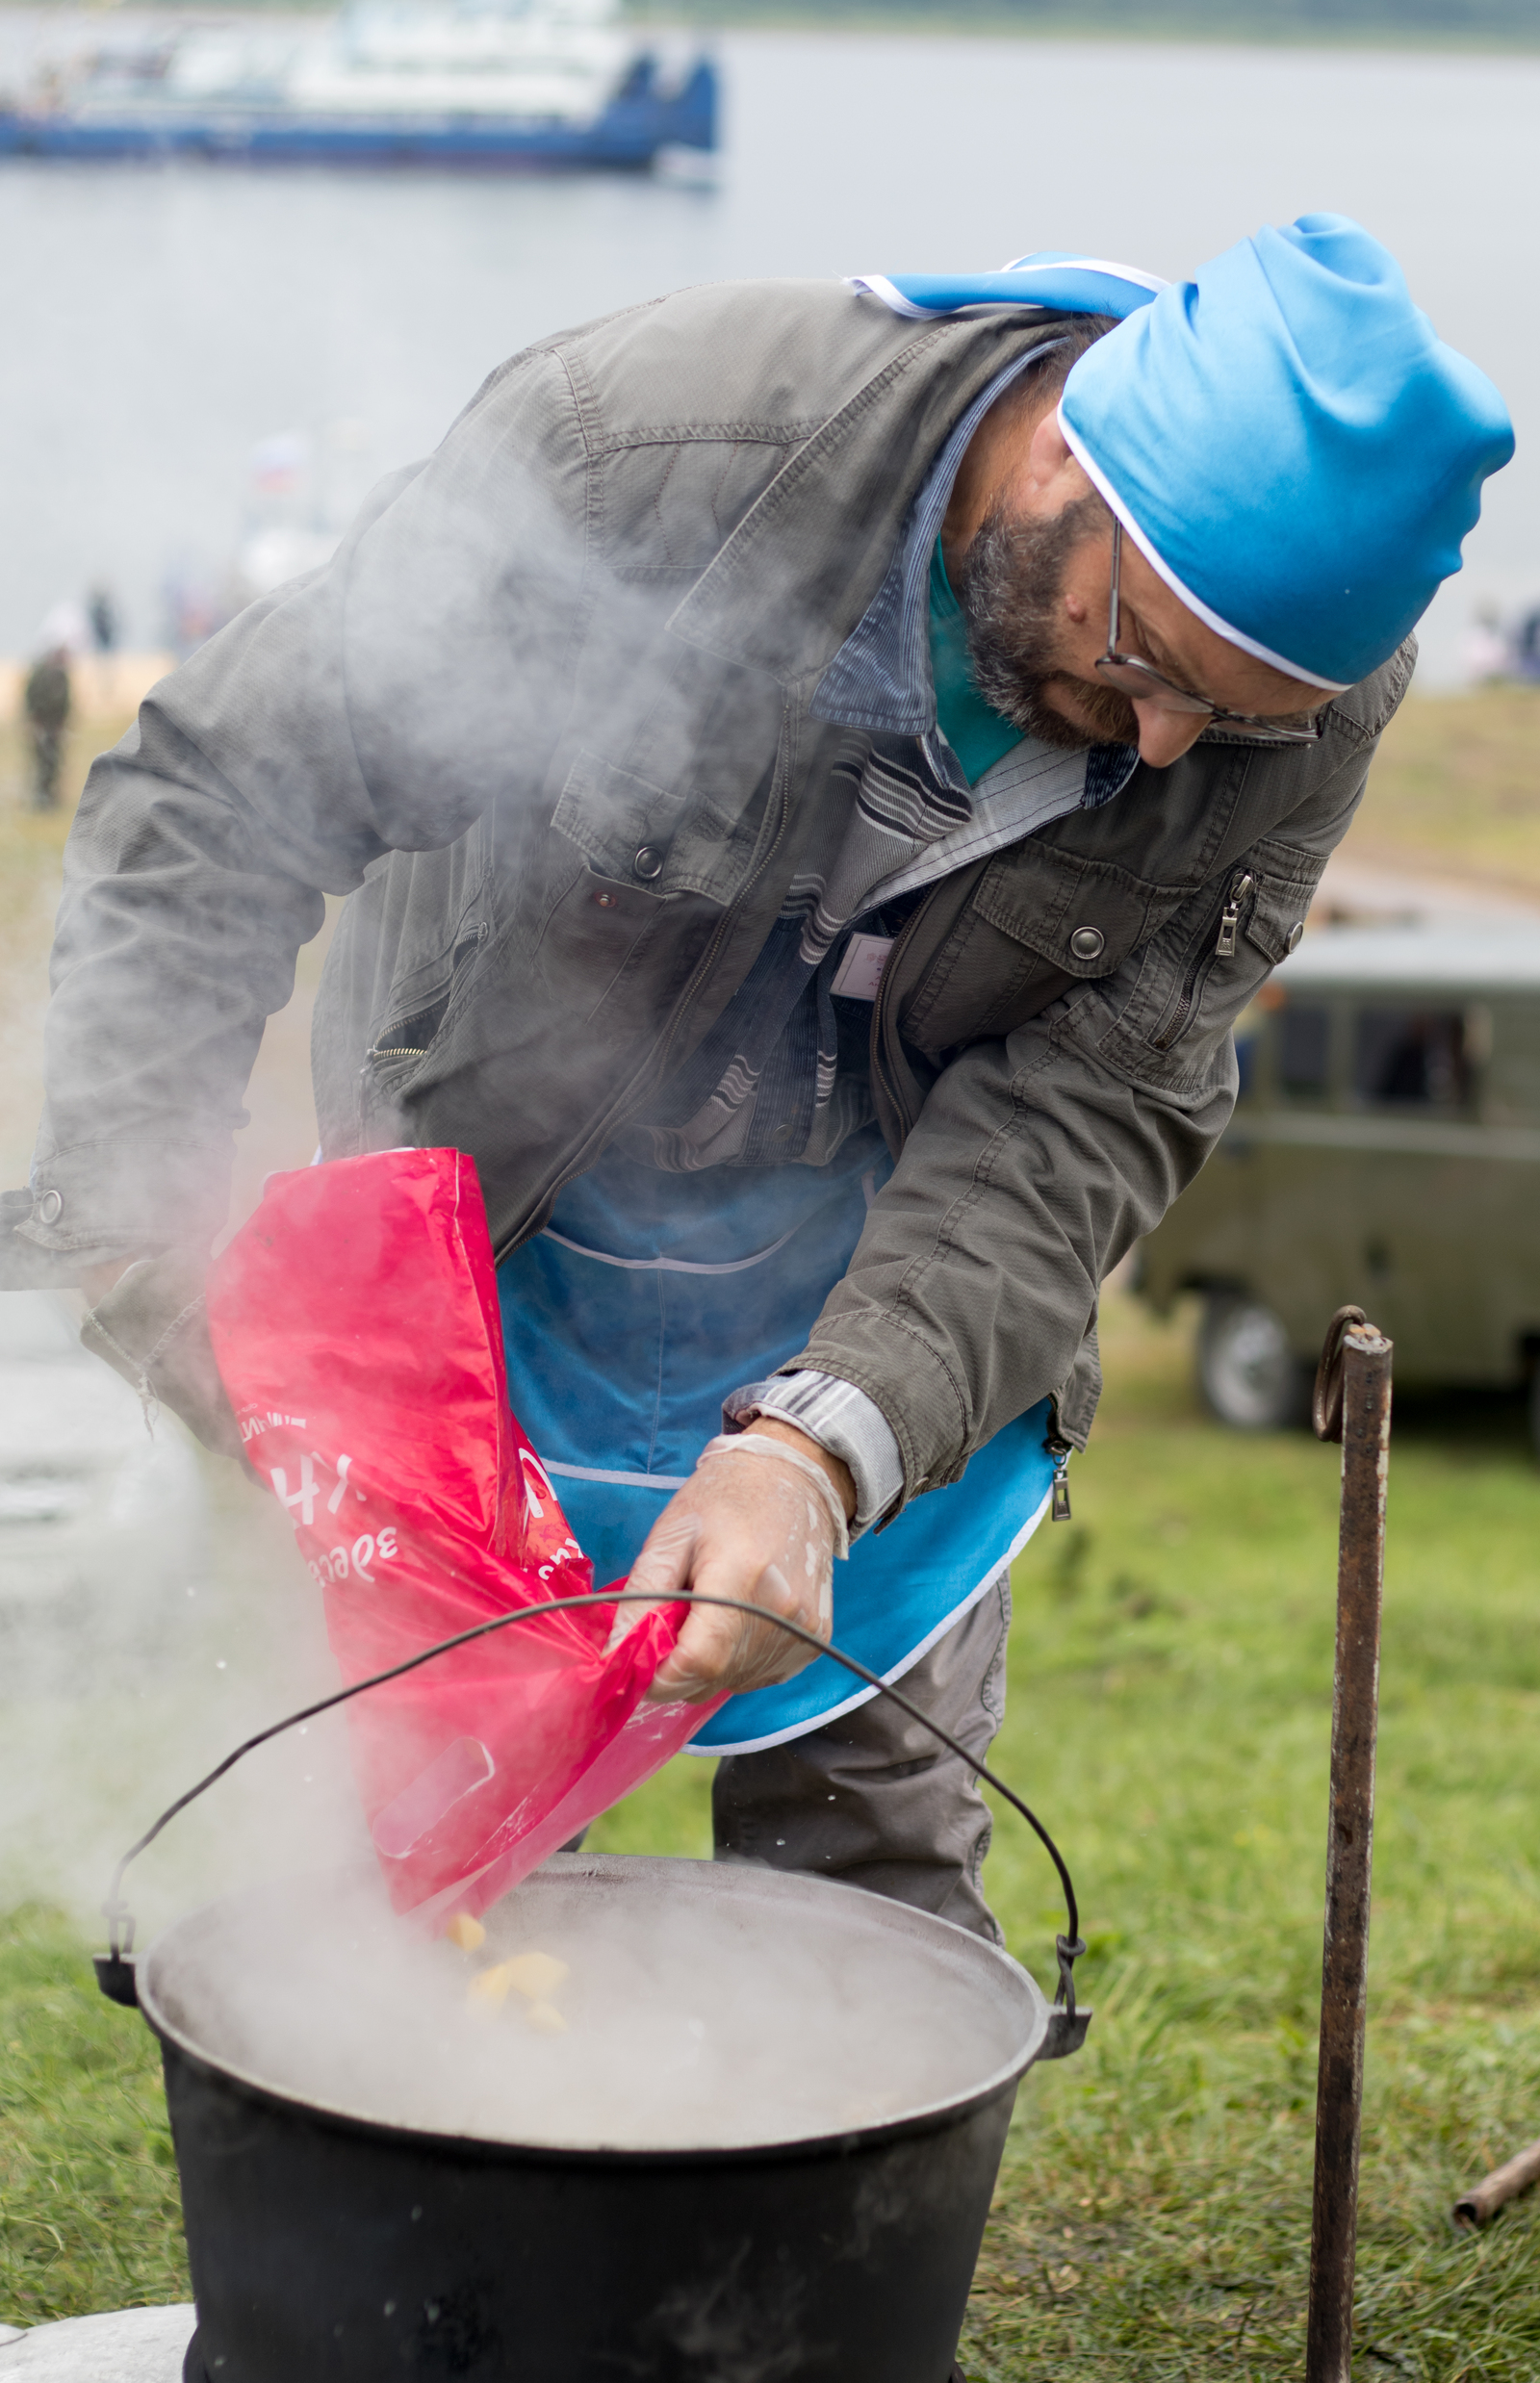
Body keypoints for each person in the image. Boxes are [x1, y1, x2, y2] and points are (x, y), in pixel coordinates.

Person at [0, 216, 1512, 1940]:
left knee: (876, 1838)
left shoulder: (1295, 694)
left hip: (880, 1250)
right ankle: (431, 2127)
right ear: (1069, 456)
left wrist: (823, 1447)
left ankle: (844, 2169)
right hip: (508, 1178)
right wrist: (144, 1211)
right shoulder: (640, 462)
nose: (1164, 747)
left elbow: (1097, 1098)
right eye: (1149, 662)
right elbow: (224, 797)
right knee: (457, 1795)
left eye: (1220, 724)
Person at [21, 645, 72, 810]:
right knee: (41, 761)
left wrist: (62, 723)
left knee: (54, 762)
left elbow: (66, 702)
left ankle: (50, 797)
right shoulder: (40, 674)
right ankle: (40, 797)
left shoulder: (62, 675)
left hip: (55, 726)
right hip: (41, 724)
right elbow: (31, 697)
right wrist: (34, 721)